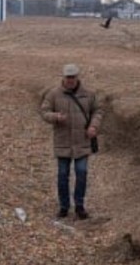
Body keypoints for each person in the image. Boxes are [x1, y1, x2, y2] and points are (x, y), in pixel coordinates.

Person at [40, 64, 103, 219]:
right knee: (63, 175)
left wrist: (94, 126)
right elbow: (44, 111)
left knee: (81, 173)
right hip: (63, 142)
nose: (70, 80)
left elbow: (98, 111)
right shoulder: (53, 94)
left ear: (77, 77)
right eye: (68, 77)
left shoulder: (89, 94)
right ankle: (64, 207)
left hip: (82, 141)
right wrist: (56, 117)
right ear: (63, 77)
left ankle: (80, 207)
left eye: (73, 77)